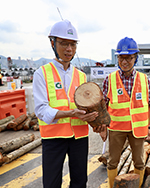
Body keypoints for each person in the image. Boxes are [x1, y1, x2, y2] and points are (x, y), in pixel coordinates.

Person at [33, 19, 104, 188]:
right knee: (51, 182)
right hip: (53, 137)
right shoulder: (41, 74)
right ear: (52, 43)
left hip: (79, 136)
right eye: (64, 44)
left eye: (73, 44)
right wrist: (70, 113)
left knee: (80, 181)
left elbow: (87, 107)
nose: (69, 49)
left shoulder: (81, 76)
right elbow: (41, 110)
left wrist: (96, 120)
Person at [101, 37, 150, 188]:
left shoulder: (144, 79)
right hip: (116, 128)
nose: (125, 61)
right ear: (117, 58)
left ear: (135, 58)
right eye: (121, 57)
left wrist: (149, 126)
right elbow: (103, 106)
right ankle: (112, 186)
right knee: (112, 162)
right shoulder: (109, 80)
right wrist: (103, 128)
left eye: (129, 58)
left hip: (138, 129)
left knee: (139, 161)